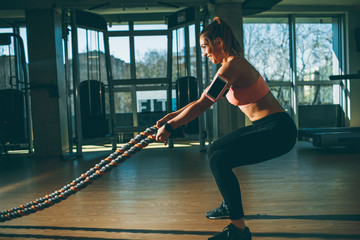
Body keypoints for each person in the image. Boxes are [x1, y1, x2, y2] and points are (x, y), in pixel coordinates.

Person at [156, 17, 297, 240]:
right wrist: (170, 117)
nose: (204, 53)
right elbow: (202, 99)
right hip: (265, 126)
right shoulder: (228, 66)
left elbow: (204, 105)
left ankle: (239, 230)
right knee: (215, 149)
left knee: (219, 159)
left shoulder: (233, 67)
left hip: (279, 132)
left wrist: (171, 127)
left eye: (205, 46)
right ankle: (230, 205)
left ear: (219, 42)